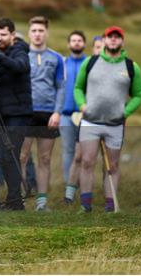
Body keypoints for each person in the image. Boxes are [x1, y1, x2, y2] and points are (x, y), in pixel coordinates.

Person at [74, 26, 141, 212]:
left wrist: (125, 112)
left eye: (117, 37)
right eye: (110, 37)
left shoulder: (131, 66)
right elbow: (78, 88)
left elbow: (138, 95)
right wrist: (82, 105)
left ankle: (110, 205)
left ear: (122, 41)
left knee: (112, 165)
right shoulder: (90, 62)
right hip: (90, 122)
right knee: (87, 161)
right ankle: (85, 205)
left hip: (115, 124)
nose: (113, 40)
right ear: (104, 40)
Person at [0, 18, 32, 210]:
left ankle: (15, 200)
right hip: (1, 113)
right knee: (2, 156)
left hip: (18, 113)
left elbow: (20, 66)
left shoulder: (19, 50)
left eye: (3, 34)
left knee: (9, 154)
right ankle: (14, 199)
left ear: (12, 35)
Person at [20, 16, 64, 211]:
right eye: (34, 31)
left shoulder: (56, 58)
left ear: (47, 32)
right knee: (22, 156)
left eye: (41, 30)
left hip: (48, 113)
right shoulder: (21, 55)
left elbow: (61, 87)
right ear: (29, 33)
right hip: (26, 112)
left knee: (45, 158)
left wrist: (57, 112)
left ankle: (42, 201)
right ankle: (18, 198)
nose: (37, 34)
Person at [60, 31, 87, 204]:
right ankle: (68, 188)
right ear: (69, 43)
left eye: (79, 40)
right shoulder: (62, 63)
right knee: (68, 151)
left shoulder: (90, 63)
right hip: (66, 115)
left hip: (86, 116)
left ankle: (84, 187)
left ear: (84, 43)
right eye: (73, 40)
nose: (76, 43)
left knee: (84, 154)